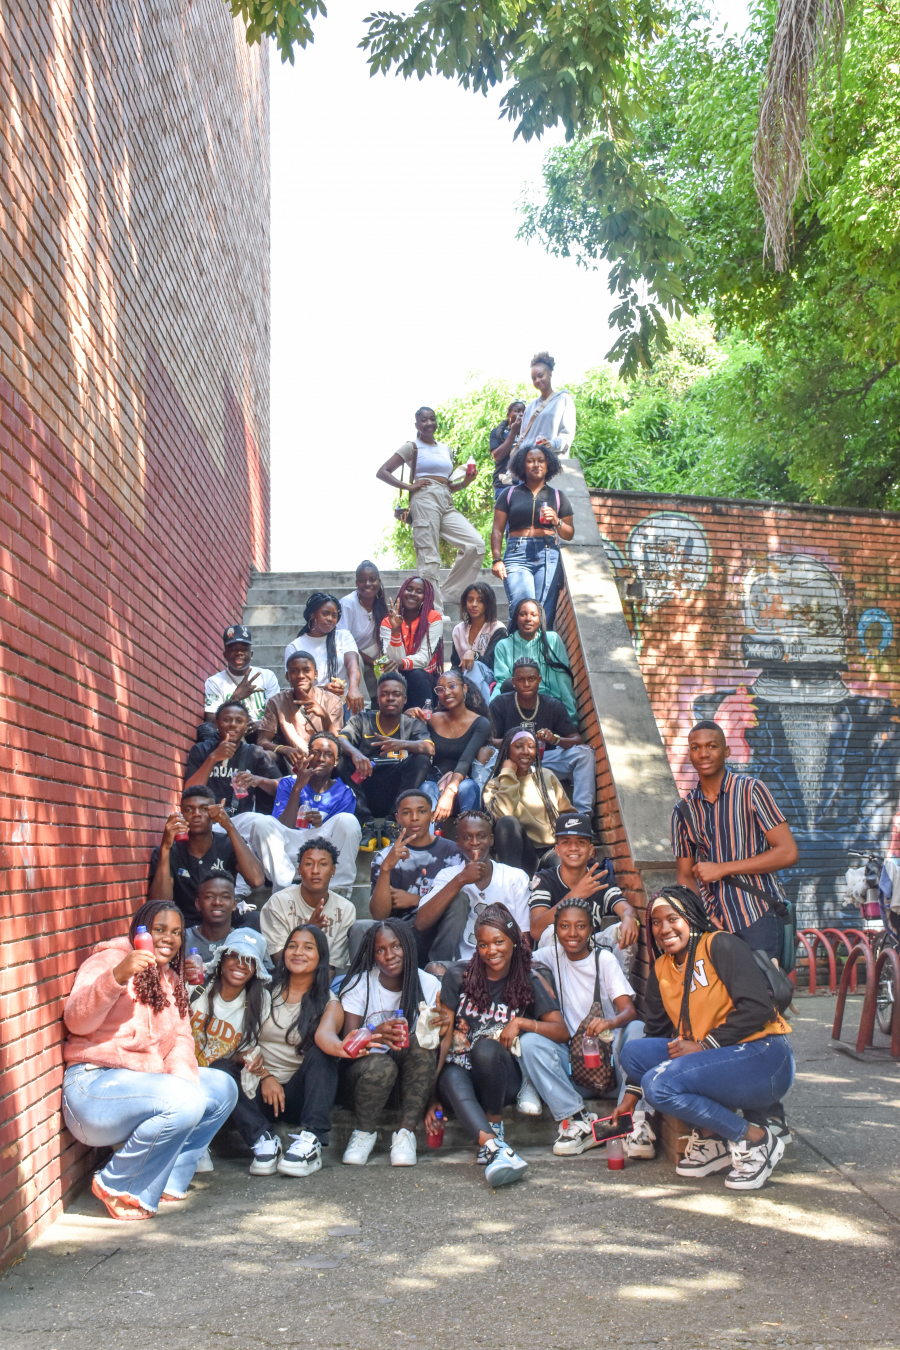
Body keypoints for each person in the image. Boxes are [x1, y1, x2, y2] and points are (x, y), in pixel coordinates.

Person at [61, 900, 238, 1219]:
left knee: (222, 1088)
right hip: (94, 1090)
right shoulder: (110, 959)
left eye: (176, 932)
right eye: (159, 929)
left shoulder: (170, 978)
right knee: (185, 1099)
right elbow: (76, 1021)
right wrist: (117, 976)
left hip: (142, 1087)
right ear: (139, 931)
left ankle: (165, 1180)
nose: (168, 938)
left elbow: (181, 1040)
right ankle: (119, 1185)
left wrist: (184, 1094)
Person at [615, 887, 794, 1191]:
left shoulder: (719, 944)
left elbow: (758, 1007)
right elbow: (656, 1034)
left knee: (660, 1087)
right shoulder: (661, 969)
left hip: (764, 1059)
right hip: (715, 1060)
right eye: (656, 922)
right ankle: (713, 1139)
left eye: (673, 918)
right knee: (634, 1052)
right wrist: (631, 1097)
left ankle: (755, 1139)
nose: (664, 929)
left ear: (691, 917)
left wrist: (705, 1044)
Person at [431, 904, 571, 1187]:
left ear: (514, 942)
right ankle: (494, 1147)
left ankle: (494, 1125)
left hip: (502, 1077)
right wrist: (430, 1093)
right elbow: (444, 1035)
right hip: (461, 1072)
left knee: (485, 1049)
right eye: (483, 944)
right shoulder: (458, 975)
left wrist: (522, 1023)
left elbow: (561, 1031)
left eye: (498, 942)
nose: (491, 951)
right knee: (449, 1073)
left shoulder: (528, 981)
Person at [316, 920, 443, 1167]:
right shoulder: (359, 984)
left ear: (407, 945)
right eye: (380, 950)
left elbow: (437, 1041)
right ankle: (364, 1132)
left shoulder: (428, 984)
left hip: (408, 1085)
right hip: (363, 1080)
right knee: (382, 1065)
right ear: (372, 955)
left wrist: (433, 1098)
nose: (389, 955)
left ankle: (405, 1133)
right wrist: (375, 1032)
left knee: (422, 1044)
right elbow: (348, 1047)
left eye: (396, 946)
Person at [673, 721, 799, 961]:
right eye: (696, 747)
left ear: (726, 751)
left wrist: (722, 868)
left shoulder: (752, 791)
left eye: (712, 746)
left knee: (763, 985)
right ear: (689, 755)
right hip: (714, 925)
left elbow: (788, 852)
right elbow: (685, 876)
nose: (703, 753)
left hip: (758, 915)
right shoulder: (683, 811)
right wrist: (703, 917)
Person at [222, 925, 341, 1177]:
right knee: (220, 1068)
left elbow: (326, 1036)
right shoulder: (262, 990)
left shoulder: (329, 1002)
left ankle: (312, 1140)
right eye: (292, 946)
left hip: (297, 1095)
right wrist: (265, 1076)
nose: (298, 952)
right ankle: (263, 1139)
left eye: (308, 947)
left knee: (323, 1054)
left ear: (321, 956)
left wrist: (343, 1047)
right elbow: (235, 1045)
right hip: (256, 1088)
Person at [531, 899, 644, 1149]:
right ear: (556, 930)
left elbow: (630, 1011)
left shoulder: (604, 960)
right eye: (564, 926)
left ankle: (632, 1122)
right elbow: (516, 958)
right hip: (575, 1070)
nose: (572, 933)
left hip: (612, 1068)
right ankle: (577, 1120)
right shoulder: (550, 956)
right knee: (530, 1043)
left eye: (580, 926)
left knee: (638, 1030)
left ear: (591, 929)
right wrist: (536, 974)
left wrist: (610, 1021)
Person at [375, 405, 483, 612]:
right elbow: (383, 471)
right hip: (424, 498)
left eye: (432, 419)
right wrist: (408, 487)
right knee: (429, 558)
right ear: (416, 424)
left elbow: (448, 484)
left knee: (475, 545)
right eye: (423, 420)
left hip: (445, 498)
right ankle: (434, 613)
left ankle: (449, 593)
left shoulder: (445, 448)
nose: (429, 423)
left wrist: (465, 483)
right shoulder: (412, 447)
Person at [188, 928, 273, 1172]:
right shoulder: (196, 986)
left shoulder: (260, 1000)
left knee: (220, 1068)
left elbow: (242, 1053)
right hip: (185, 1076)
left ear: (256, 968)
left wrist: (252, 1061)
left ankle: (264, 1138)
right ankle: (197, 1142)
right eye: (234, 956)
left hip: (222, 1085)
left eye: (249, 960)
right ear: (222, 959)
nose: (241, 965)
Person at [236, 733, 361, 891]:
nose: (321, 759)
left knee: (348, 821)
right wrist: (298, 788)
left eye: (328, 755)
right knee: (262, 823)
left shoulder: (345, 793)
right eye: (316, 753)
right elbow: (282, 826)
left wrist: (320, 824)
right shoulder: (289, 782)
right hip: (288, 851)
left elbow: (340, 838)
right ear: (308, 756)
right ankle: (284, 888)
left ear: (336, 761)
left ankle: (338, 888)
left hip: (322, 851)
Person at [415, 811, 532, 961]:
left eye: (481, 836)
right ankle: (441, 966)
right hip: (460, 966)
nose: (475, 842)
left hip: (502, 963)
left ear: (491, 839)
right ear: (458, 842)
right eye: (467, 837)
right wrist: (460, 880)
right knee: (458, 898)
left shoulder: (515, 877)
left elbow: (524, 937)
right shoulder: (447, 876)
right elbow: (421, 923)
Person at [338, 672, 435, 851]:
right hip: (365, 787)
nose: (390, 698)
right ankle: (365, 824)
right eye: (385, 694)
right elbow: (341, 739)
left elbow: (429, 748)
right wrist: (355, 753)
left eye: (396, 694)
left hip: (396, 793)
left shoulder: (412, 723)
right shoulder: (362, 720)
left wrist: (401, 743)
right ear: (378, 698)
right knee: (341, 760)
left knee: (421, 759)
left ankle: (392, 823)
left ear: (405, 699)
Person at [364, 789, 465, 962]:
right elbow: (379, 916)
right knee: (361, 928)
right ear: (397, 818)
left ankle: (440, 967)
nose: (414, 818)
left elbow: (462, 903)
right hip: (401, 936)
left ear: (432, 816)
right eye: (406, 813)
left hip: (443, 932)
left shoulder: (454, 853)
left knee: (459, 898)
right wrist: (386, 868)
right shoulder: (384, 858)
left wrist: (416, 900)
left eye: (422, 811)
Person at [149, 786, 265, 928]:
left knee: (255, 919)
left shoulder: (228, 843)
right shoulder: (169, 851)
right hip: (185, 927)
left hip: (225, 926)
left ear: (215, 813)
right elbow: (159, 905)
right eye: (189, 809)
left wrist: (229, 826)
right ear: (181, 814)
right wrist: (165, 848)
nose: (196, 814)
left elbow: (257, 880)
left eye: (204, 809)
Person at [489, 657, 594, 813]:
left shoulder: (553, 705)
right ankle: (488, 813)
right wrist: (514, 741)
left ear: (539, 680)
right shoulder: (500, 703)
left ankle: (583, 815)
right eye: (521, 680)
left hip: (546, 759)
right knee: (486, 757)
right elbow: (490, 740)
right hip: (511, 762)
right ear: (513, 682)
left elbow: (577, 739)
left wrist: (555, 739)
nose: (526, 684)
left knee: (585, 754)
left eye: (531, 679)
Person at [528, 811, 639, 957]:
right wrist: (574, 896)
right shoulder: (545, 879)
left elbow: (626, 909)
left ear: (591, 850)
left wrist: (629, 918)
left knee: (623, 929)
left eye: (580, 842)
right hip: (556, 959)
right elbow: (536, 930)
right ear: (558, 850)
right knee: (551, 932)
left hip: (590, 949)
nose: (573, 848)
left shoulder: (600, 879)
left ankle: (617, 973)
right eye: (566, 842)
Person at [491, 443, 574, 628]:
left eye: (540, 461)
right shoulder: (509, 494)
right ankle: (515, 647)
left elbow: (569, 533)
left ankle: (539, 648)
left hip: (548, 554)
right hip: (516, 554)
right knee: (522, 609)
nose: (536, 464)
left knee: (544, 613)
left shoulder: (558, 496)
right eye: (530, 461)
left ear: (548, 465)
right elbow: (497, 530)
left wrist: (557, 521)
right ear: (522, 465)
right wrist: (497, 559)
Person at [260, 838, 357, 981]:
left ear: (332, 870)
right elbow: (280, 962)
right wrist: (309, 931)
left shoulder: (345, 909)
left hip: (322, 982)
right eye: (309, 864)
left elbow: (330, 967)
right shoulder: (278, 903)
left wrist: (318, 993)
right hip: (284, 980)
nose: (315, 871)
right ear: (299, 870)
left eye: (323, 864)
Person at [483, 729, 571, 873]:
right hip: (522, 855)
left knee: (562, 863)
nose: (525, 752)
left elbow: (567, 814)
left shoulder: (546, 776)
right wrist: (508, 775)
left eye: (531, 747)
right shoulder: (494, 785)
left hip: (550, 851)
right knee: (507, 822)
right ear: (507, 750)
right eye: (518, 747)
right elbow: (503, 814)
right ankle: (513, 882)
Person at [407, 670, 491, 822]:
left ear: (464, 688)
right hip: (435, 782)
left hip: (463, 783)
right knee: (427, 788)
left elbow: (465, 760)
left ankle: (469, 832)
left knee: (468, 787)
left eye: (452, 686)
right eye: (440, 689)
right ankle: (428, 835)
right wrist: (408, 716)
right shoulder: (431, 719)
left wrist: (450, 792)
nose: (446, 692)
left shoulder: (480, 723)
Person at [184, 701, 280, 817]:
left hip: (242, 820)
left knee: (261, 821)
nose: (233, 725)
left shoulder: (255, 753)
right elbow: (190, 792)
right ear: (216, 724)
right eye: (227, 720)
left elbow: (282, 787)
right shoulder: (201, 750)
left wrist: (258, 780)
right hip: (207, 819)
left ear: (246, 727)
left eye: (239, 721)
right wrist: (213, 757)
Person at [491, 599, 578, 721]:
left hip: (550, 705)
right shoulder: (503, 646)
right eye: (523, 614)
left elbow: (563, 679)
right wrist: (489, 713)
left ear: (540, 618)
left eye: (534, 615)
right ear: (516, 618)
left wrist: (571, 718)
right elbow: (502, 682)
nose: (528, 619)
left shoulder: (552, 640)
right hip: (518, 705)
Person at [284, 592, 365, 713]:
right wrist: (323, 690)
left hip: (344, 703)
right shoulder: (295, 646)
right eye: (325, 614)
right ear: (312, 614)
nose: (330, 619)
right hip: (312, 706)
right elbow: (296, 685)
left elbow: (352, 663)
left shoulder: (343, 636)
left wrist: (353, 688)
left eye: (334, 615)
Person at [257, 652, 343, 765]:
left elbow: (336, 742)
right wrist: (283, 749)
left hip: (323, 761)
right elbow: (262, 741)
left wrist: (324, 716)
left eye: (306, 670)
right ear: (287, 676)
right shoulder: (277, 702)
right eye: (294, 671)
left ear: (315, 674)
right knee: (267, 756)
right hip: (292, 761)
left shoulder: (333, 701)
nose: (300, 675)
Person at [203, 625, 280, 740]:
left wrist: (259, 724)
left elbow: (277, 713)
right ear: (224, 655)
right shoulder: (214, 682)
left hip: (260, 735)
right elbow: (210, 720)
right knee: (204, 729)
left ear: (251, 654)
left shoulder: (267, 676)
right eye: (233, 649)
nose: (239, 653)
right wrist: (235, 697)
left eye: (244, 649)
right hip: (230, 733)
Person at [379, 575, 445, 709]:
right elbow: (392, 662)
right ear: (402, 591)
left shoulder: (433, 617)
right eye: (409, 589)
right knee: (391, 676)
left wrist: (401, 662)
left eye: (419, 592)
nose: (413, 594)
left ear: (425, 597)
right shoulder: (387, 622)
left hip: (425, 679)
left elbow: (424, 658)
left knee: (416, 674)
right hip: (399, 677)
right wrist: (395, 631)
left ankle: (425, 718)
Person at [338, 561, 390, 701]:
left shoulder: (379, 602)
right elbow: (342, 643)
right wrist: (372, 662)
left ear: (379, 581)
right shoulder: (347, 604)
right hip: (352, 654)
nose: (367, 584)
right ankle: (363, 704)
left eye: (372, 580)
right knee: (356, 658)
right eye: (362, 580)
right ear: (356, 583)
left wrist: (381, 660)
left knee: (394, 656)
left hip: (373, 653)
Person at [450, 582, 507, 703]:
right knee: (449, 678)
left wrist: (474, 655)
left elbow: (492, 663)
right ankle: (481, 712)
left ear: (488, 603)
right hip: (466, 678)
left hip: (489, 675)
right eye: (470, 600)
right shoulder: (458, 630)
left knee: (474, 666)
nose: (474, 604)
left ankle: (466, 707)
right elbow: (455, 663)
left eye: (480, 601)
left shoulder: (497, 628)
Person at [516, 351, 577, 460]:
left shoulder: (563, 399)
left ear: (549, 374)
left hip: (551, 463)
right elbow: (522, 439)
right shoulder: (529, 407)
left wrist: (551, 444)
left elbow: (567, 436)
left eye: (540, 376)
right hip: (529, 465)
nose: (537, 380)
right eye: (534, 378)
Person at [184, 874, 246, 966]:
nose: (217, 902)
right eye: (209, 896)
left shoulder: (245, 941)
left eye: (225, 897)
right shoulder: (183, 939)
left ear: (234, 904)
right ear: (198, 904)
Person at [489, 399, 526, 498]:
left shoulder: (529, 434)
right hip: (504, 484)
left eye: (524, 412)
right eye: (517, 411)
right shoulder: (498, 432)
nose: (521, 414)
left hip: (525, 484)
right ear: (509, 414)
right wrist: (513, 432)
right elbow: (498, 457)